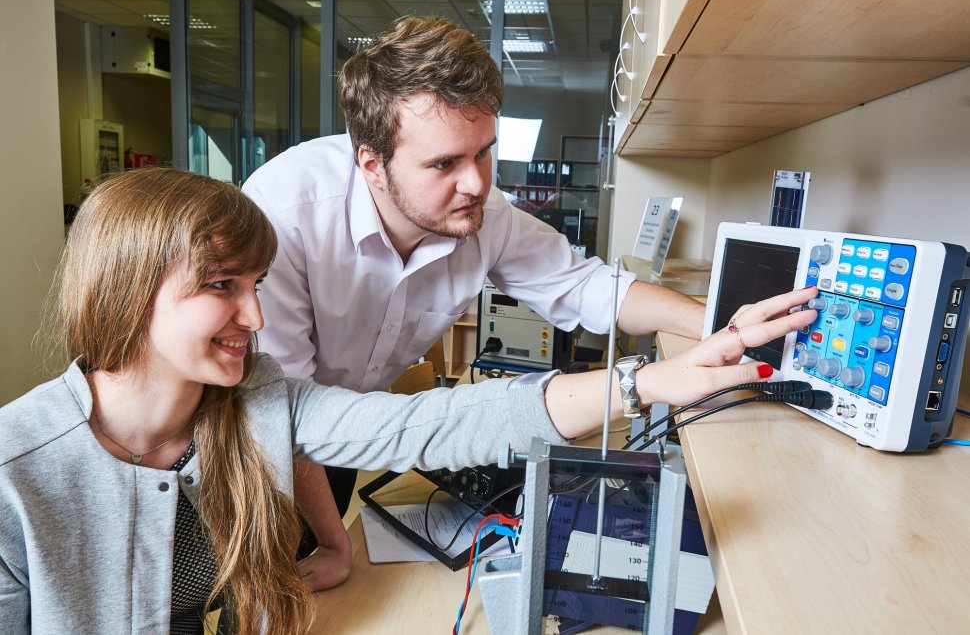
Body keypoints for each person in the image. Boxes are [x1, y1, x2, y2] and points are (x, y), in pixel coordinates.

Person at [0, 167, 816, 633]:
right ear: (127, 291)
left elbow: (433, 422)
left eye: (256, 286)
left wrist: (643, 381)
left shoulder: (255, 406)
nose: (253, 316)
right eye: (222, 287)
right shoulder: (14, 471)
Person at [242, 15, 708, 589]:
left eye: (484, 153)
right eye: (444, 164)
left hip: (352, 430)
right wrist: (334, 542)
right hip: (258, 447)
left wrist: (713, 324)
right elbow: (284, 411)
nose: (476, 184)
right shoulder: (284, 217)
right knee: (264, 592)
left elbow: (584, 286)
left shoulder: (486, 215)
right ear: (372, 165)